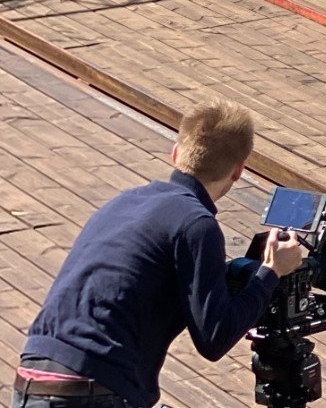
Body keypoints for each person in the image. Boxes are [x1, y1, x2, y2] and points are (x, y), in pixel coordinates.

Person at [16, 99, 306, 408]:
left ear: (176, 152)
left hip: (32, 376)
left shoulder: (123, 202)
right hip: (94, 388)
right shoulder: (196, 224)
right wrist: (272, 271)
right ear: (238, 170)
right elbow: (215, 337)